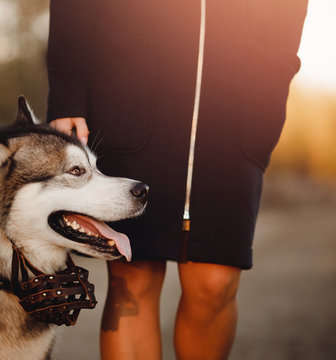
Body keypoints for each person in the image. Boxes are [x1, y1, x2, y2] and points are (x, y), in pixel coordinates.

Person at [46, 0, 308, 359]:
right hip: (126, 97)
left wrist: (273, 81)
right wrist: (67, 91)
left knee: (215, 285)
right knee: (133, 277)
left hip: (236, 112)